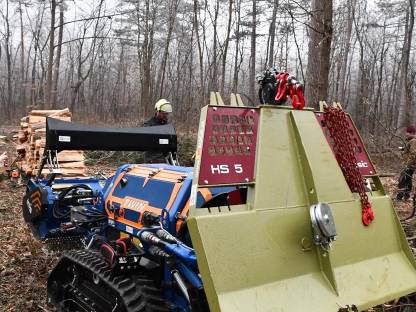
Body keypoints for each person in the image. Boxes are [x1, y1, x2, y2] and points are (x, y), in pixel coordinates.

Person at [141, 99, 173, 163]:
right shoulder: (148, 125)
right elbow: (144, 141)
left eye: (167, 114)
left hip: (166, 159)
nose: (165, 115)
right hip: (152, 160)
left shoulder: (168, 126)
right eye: (163, 113)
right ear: (157, 111)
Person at [397, 125, 416, 201]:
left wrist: (407, 165)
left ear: (411, 132)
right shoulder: (411, 141)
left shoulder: (413, 141)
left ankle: (399, 197)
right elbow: (409, 150)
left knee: (402, 180)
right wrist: (403, 149)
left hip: (409, 165)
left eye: (407, 132)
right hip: (410, 164)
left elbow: (413, 154)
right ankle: (406, 196)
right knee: (408, 179)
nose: (406, 134)